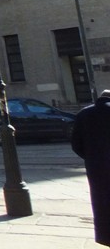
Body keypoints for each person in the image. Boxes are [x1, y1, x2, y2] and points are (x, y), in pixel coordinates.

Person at [71, 89, 110, 246]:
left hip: (96, 168)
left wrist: (91, 157)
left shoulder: (83, 114)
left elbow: (76, 144)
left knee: (101, 202)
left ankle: (105, 237)